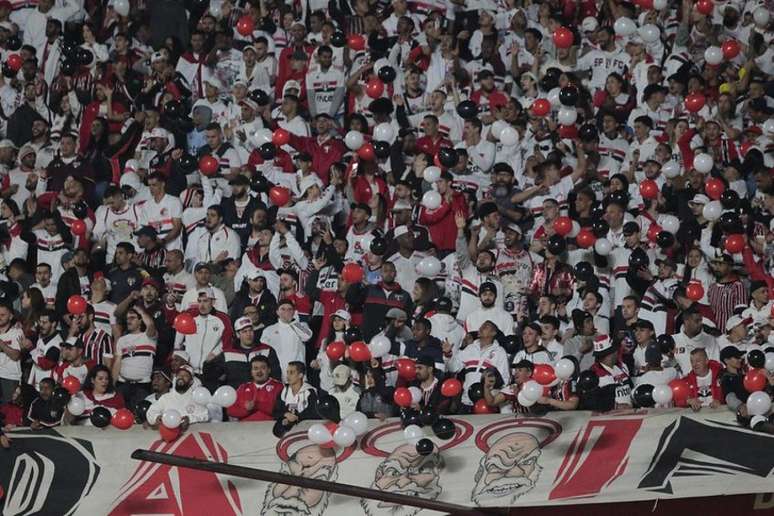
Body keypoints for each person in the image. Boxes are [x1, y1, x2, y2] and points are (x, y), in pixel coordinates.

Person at [445, 320, 510, 411]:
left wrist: (490, 391)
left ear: (493, 333)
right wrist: (448, 355)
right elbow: (454, 368)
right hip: (466, 402)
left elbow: (505, 379)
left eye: (485, 327)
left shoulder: (500, 352)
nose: (481, 328)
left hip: (486, 404)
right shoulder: (470, 348)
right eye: (481, 326)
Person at [227, 356, 283, 422]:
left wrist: (257, 405)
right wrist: (246, 410)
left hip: (269, 427)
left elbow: (280, 411)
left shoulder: (279, 387)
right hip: (245, 429)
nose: (259, 371)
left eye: (263, 368)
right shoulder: (243, 388)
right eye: (255, 368)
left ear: (269, 370)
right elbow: (230, 410)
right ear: (251, 372)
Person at [273, 361, 318, 437]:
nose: (288, 376)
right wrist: (285, 414)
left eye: (291, 372)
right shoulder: (284, 391)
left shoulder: (310, 391)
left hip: (306, 430)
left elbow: (313, 412)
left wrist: (297, 417)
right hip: (287, 431)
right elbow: (275, 411)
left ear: (300, 375)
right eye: (287, 372)